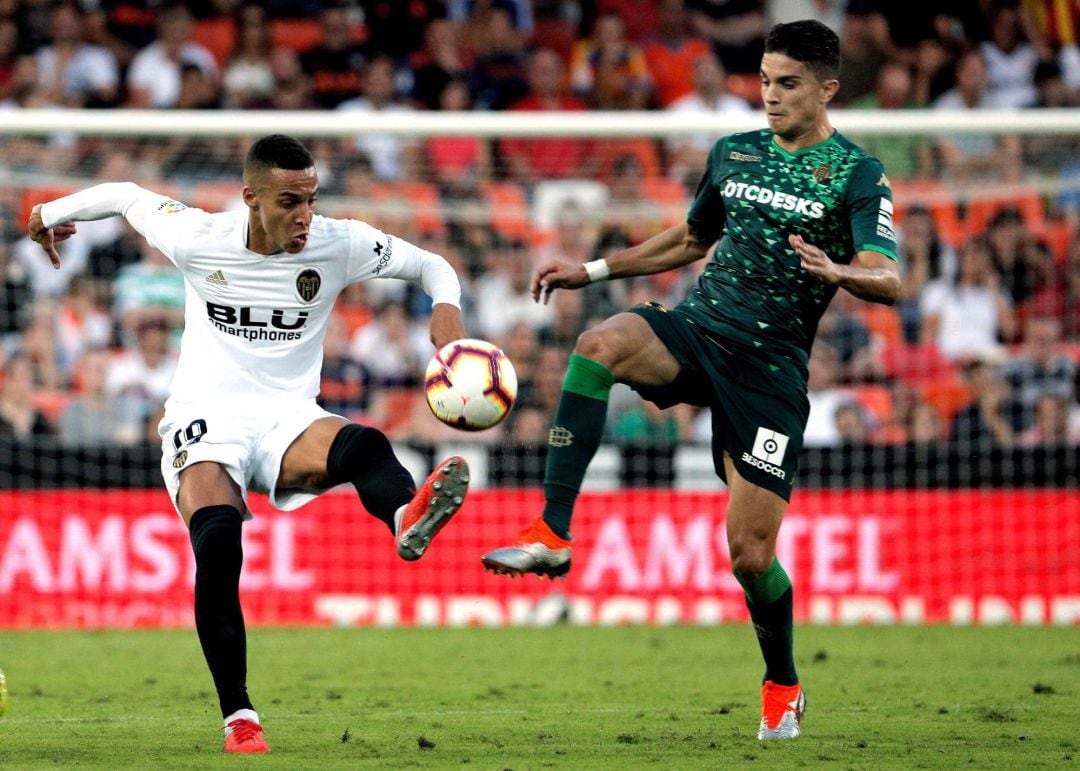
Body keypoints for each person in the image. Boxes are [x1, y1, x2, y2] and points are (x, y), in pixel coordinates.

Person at [481, 20, 901, 741]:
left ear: (828, 89)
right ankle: (552, 530)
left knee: (751, 555)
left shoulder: (857, 173)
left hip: (769, 373)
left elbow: (887, 277)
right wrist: (592, 270)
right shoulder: (734, 152)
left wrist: (838, 271)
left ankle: (783, 682)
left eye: (788, 83)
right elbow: (689, 239)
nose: (771, 96)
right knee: (598, 344)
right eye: (765, 81)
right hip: (700, 331)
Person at [27, 134, 472, 754]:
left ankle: (404, 517)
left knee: (366, 444)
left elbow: (432, 265)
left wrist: (446, 312)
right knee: (218, 541)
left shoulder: (338, 242)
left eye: (311, 199)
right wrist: (47, 214)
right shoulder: (198, 236)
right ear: (251, 198)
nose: (305, 215)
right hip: (205, 418)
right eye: (290, 202)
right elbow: (126, 195)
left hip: (287, 417)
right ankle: (238, 714)